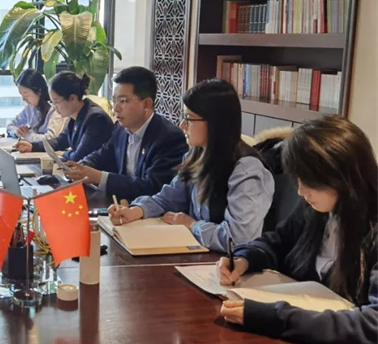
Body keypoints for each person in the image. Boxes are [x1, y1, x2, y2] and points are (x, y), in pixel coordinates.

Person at [218, 115, 377, 344]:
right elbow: (278, 242)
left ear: (343, 176)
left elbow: (373, 325)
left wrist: (278, 318)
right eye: (299, 179)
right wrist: (245, 259)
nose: (301, 191)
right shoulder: (320, 210)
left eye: (310, 181)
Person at [109, 79, 274, 252]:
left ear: (215, 123)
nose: (182, 125)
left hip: (230, 264)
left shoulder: (247, 170)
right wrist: (136, 211)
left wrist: (192, 225)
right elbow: (170, 197)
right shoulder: (197, 154)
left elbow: (239, 238)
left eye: (189, 119)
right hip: (200, 254)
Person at [63, 66, 187, 200]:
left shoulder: (169, 138)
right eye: (114, 100)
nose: (115, 108)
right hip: (120, 205)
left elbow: (152, 187)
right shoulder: (120, 129)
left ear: (146, 104)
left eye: (123, 101)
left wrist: (98, 177)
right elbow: (103, 154)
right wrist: (83, 166)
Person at [14, 71, 113, 163]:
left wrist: (63, 154)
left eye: (56, 102)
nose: (54, 107)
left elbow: (79, 156)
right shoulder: (75, 115)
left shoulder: (95, 118)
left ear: (72, 98)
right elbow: (60, 141)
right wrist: (32, 146)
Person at [6, 69, 67, 142]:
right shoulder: (30, 108)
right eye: (21, 95)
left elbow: (51, 138)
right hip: (34, 148)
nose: (23, 99)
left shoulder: (55, 109)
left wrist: (28, 135)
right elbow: (10, 125)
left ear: (39, 91)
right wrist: (17, 132)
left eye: (26, 95)